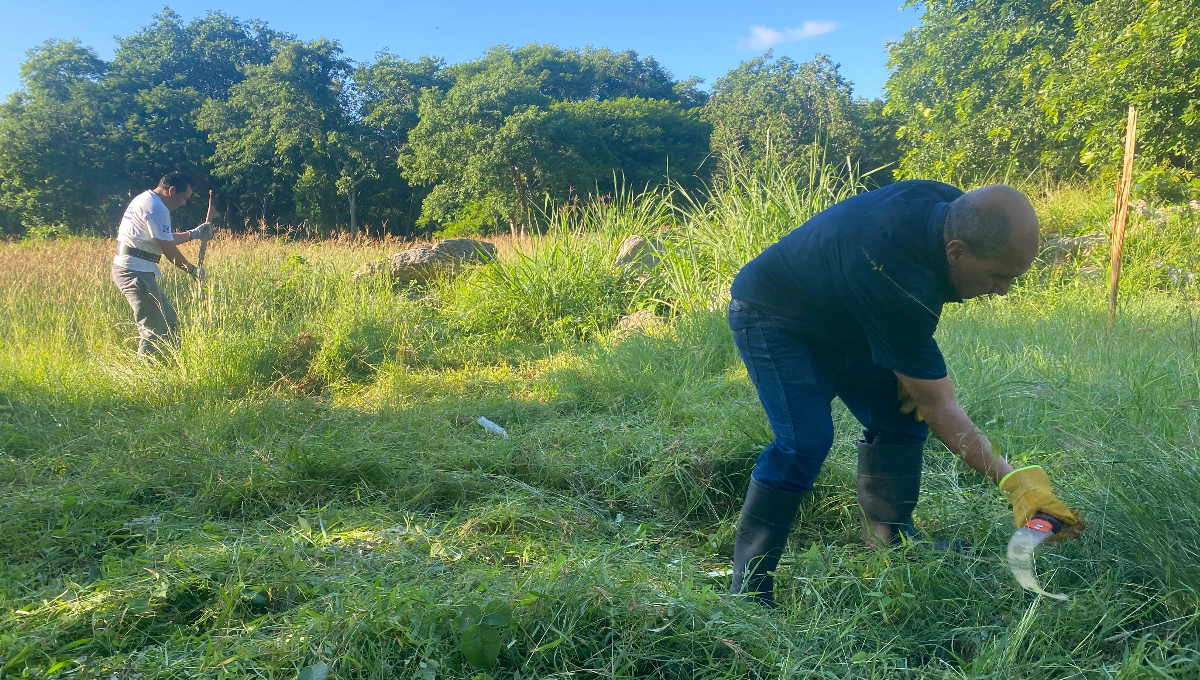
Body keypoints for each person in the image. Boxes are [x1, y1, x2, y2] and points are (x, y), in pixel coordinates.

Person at [726, 180, 1082, 606]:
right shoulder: (898, 278)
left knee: (900, 418)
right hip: (774, 316)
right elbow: (939, 405)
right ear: (956, 251)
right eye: (997, 276)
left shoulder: (948, 204)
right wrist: (1011, 480)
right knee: (804, 443)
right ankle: (749, 588)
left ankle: (890, 543)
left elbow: (921, 388)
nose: (1003, 290)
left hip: (850, 315)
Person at [111, 171, 212, 355]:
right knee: (154, 328)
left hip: (138, 270)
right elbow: (169, 250)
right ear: (172, 191)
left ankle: (169, 364)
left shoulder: (147, 200)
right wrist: (192, 270)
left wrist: (194, 234)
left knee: (170, 319)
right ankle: (145, 377)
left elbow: (163, 239)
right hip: (134, 272)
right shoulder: (157, 208)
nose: (184, 203)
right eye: (184, 198)